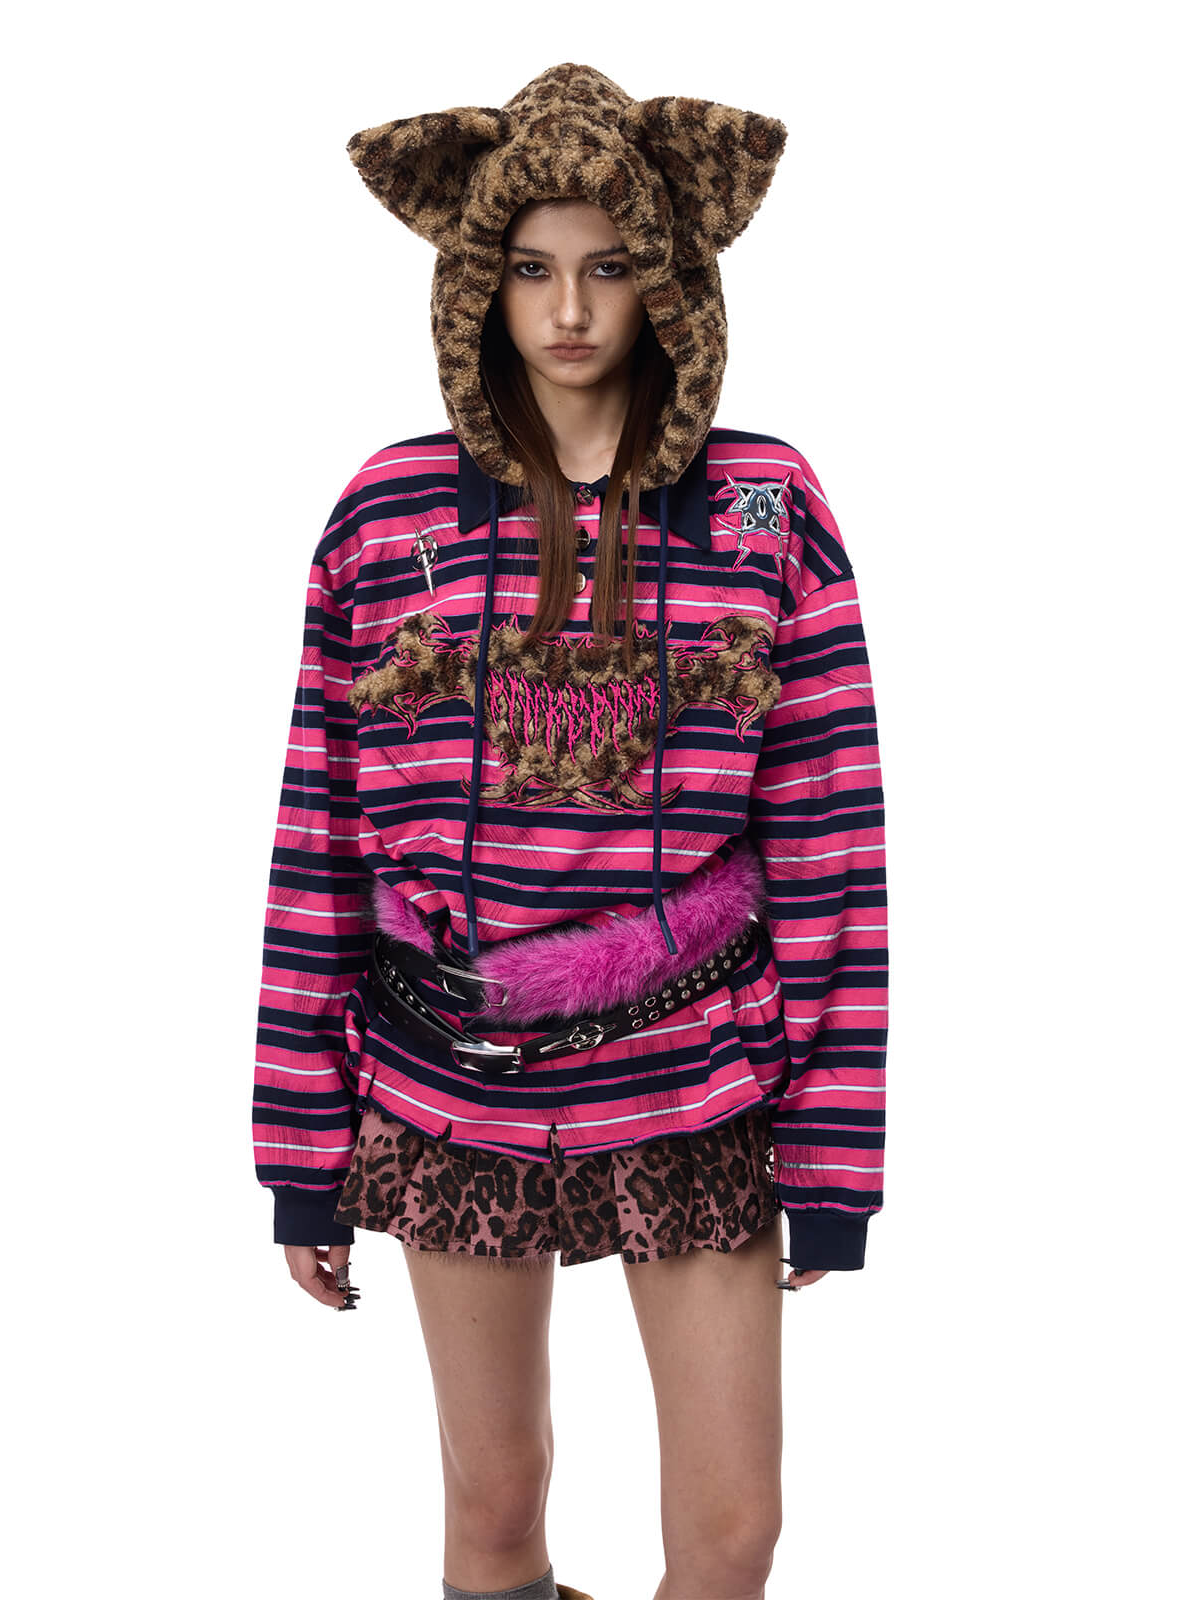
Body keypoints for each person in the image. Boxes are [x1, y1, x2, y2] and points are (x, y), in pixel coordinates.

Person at [252, 62, 888, 1600]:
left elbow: (832, 838)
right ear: (479, 282)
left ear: (668, 278)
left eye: (608, 267)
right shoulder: (387, 517)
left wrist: (834, 1153)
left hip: (698, 1076)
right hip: (446, 1077)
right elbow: (321, 836)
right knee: (493, 1509)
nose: (571, 310)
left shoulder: (766, 508)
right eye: (532, 268)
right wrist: (301, 1151)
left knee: (732, 1534)